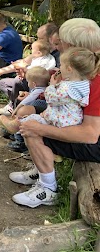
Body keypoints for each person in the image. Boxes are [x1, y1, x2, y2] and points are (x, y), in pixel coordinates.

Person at [9, 18, 100, 208]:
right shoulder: (85, 68)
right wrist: (34, 107)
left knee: (31, 128)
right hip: (81, 124)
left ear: (74, 47)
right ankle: (41, 169)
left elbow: (90, 134)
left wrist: (40, 128)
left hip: (95, 143)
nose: (58, 46)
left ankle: (47, 189)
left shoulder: (95, 79)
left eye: (61, 42)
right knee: (32, 117)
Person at [0, 67, 51, 152]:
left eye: (28, 81)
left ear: (34, 84)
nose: (27, 83)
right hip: (41, 107)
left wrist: (16, 109)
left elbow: (26, 101)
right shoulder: (43, 88)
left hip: (41, 107)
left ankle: (19, 141)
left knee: (23, 112)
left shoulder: (37, 91)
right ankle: (15, 133)